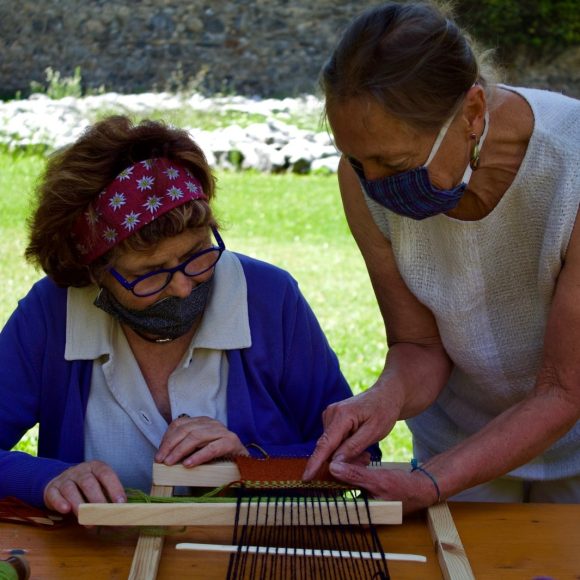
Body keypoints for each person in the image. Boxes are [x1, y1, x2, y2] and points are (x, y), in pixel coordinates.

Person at [0, 115, 365, 516]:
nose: (183, 287)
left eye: (196, 254)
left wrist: (251, 464)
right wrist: (43, 479)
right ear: (93, 273)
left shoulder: (269, 299)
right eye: (149, 275)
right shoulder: (52, 313)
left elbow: (355, 456)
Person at [303, 1, 580, 512]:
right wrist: (381, 398)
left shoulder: (573, 163)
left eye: (394, 161)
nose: (376, 185)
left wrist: (432, 482)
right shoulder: (361, 179)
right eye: (357, 159)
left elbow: (564, 391)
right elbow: (418, 345)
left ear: (472, 113)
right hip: (455, 448)